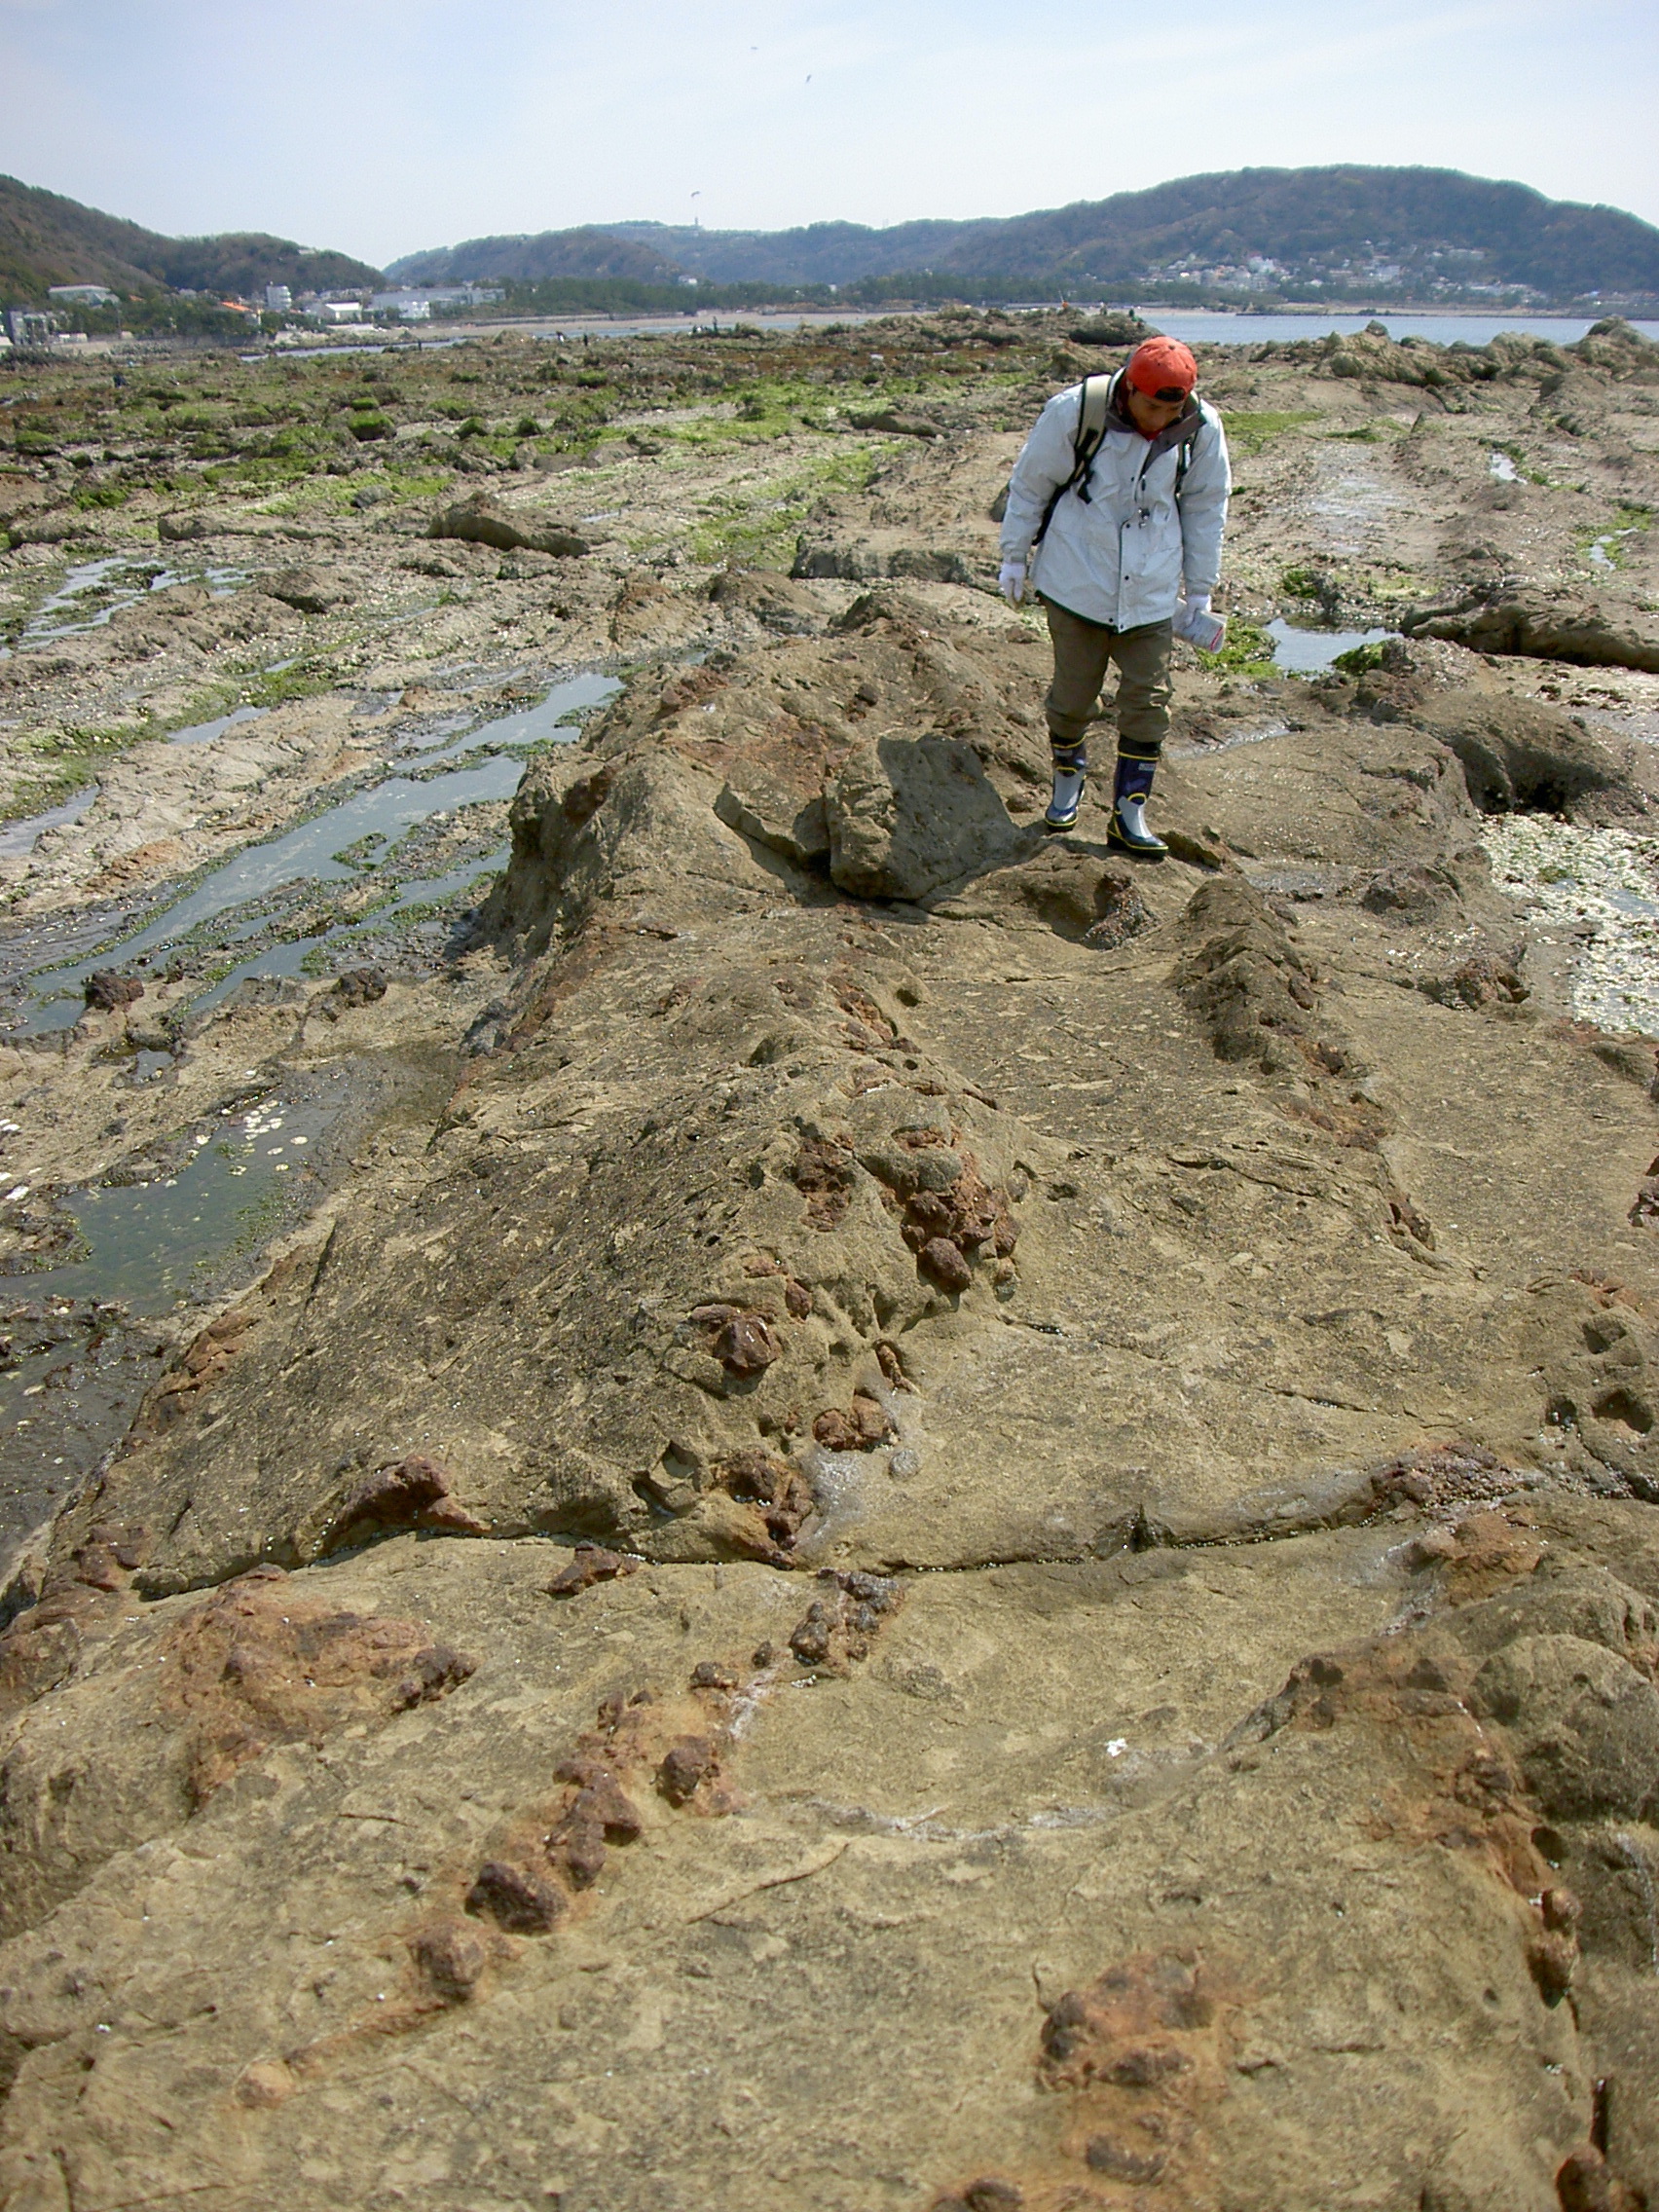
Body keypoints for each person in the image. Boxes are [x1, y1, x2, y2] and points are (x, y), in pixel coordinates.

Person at [998, 336, 1231, 855]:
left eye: (1172, 409)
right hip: (1076, 579)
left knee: (1149, 701)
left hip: (1150, 587)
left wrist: (1200, 590)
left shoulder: (1201, 431)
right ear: (1129, 387)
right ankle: (1067, 782)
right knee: (1074, 695)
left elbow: (1205, 507)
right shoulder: (1076, 411)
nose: (1159, 419)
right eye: (1151, 406)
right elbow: (1031, 484)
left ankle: (1130, 813)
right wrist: (1014, 555)